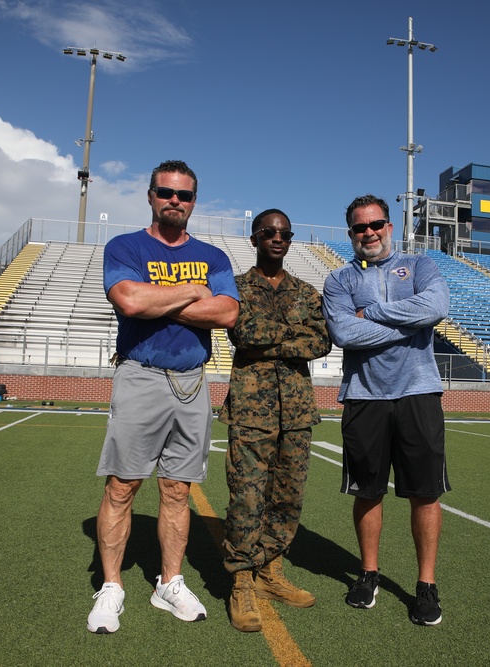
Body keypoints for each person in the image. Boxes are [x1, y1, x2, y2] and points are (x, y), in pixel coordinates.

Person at [86, 160, 240, 634]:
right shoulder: (125, 245)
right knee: (122, 485)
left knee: (177, 489)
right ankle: (111, 586)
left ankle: (168, 582)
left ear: (195, 201)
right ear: (151, 195)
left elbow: (229, 313)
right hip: (141, 375)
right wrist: (193, 293)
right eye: (166, 193)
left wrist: (164, 299)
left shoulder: (214, 256)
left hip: (193, 381)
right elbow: (130, 301)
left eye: (185, 195)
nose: (175, 201)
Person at [321, 194, 451, 626]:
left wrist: (374, 313)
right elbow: (344, 332)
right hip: (364, 396)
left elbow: (435, 308)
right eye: (360, 227)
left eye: (376, 224)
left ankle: (426, 584)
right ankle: (368, 573)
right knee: (367, 491)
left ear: (390, 226)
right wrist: (410, 328)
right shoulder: (338, 280)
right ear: (350, 234)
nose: (369, 233)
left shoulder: (421, 267)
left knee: (425, 492)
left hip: (418, 393)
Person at [218, 209, 332, 632]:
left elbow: (321, 340)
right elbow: (241, 333)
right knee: (247, 496)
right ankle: (242, 580)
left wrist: (271, 336)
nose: (277, 238)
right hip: (251, 408)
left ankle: (270, 571)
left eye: (284, 233)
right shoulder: (236, 287)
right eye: (269, 232)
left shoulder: (305, 290)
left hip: (297, 410)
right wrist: (291, 336)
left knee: (288, 496)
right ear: (255, 239)